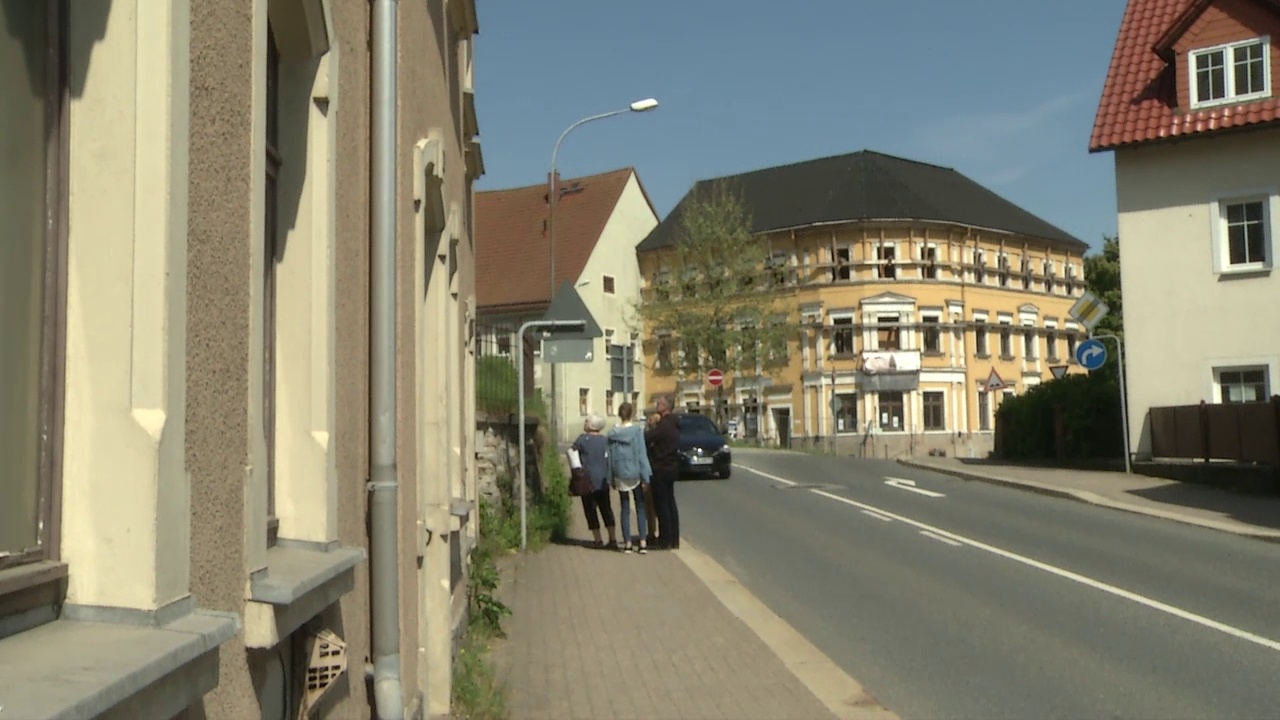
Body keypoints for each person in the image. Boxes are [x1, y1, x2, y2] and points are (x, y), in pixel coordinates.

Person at [607, 402, 652, 554]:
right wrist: (646, 477)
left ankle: (627, 543)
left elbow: (610, 457)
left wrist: (610, 477)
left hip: (619, 473)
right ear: (631, 414)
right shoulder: (636, 432)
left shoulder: (612, 433)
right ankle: (643, 542)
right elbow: (641, 454)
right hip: (635, 472)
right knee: (640, 507)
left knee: (624, 507)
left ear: (619, 415)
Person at [573, 414, 617, 549]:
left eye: (586, 421)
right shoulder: (605, 440)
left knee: (590, 510)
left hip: (587, 480)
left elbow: (572, 452)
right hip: (603, 480)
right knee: (606, 509)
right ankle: (612, 539)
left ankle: (598, 540)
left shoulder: (582, 440)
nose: (584, 423)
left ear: (591, 425)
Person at [645, 396, 681, 549]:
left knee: (662, 505)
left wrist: (649, 426)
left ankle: (665, 540)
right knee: (670, 503)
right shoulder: (674, 423)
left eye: (658, 404)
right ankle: (674, 539)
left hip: (661, 467)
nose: (656, 405)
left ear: (666, 406)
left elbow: (647, 438)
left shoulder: (664, 425)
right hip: (672, 466)